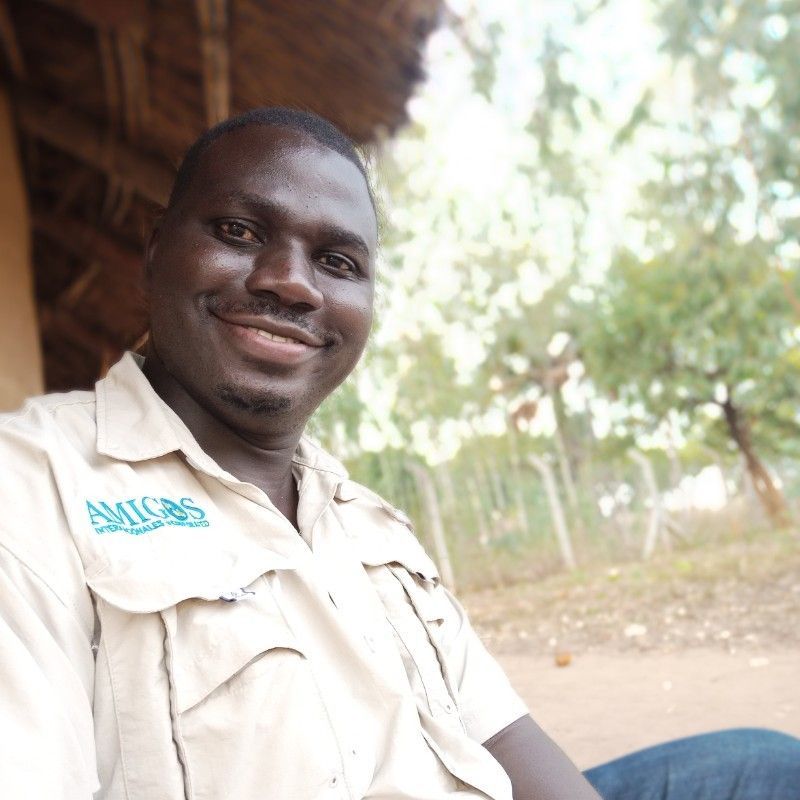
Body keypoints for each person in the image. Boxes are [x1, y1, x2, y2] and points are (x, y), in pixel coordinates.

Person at [0, 107, 797, 800]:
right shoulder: (36, 487)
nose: (292, 283)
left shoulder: (366, 521)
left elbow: (503, 736)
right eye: (240, 232)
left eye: (338, 262)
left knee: (763, 768)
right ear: (155, 250)